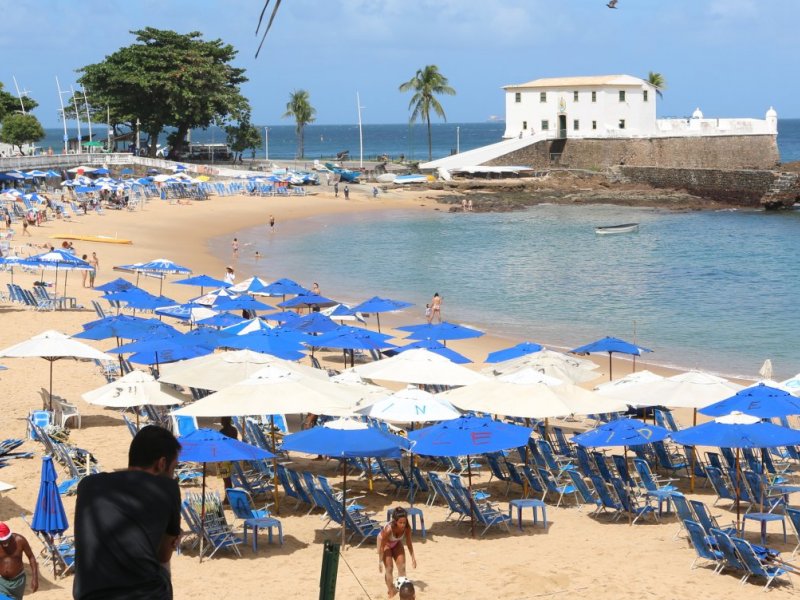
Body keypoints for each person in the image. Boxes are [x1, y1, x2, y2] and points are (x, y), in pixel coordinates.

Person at [73, 425, 182, 600]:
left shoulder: (88, 485)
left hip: (90, 596)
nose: (173, 475)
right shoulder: (167, 488)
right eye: (173, 468)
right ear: (162, 463)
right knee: (162, 569)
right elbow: (163, 555)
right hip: (146, 595)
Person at [377, 507, 416, 599]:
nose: (403, 525)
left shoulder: (407, 528)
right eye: (400, 523)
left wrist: (413, 558)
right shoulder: (388, 529)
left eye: (404, 522)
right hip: (384, 543)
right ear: (395, 522)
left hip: (396, 542)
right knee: (389, 568)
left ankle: (402, 592)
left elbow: (409, 543)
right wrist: (380, 561)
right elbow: (382, 546)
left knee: (402, 567)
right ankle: (391, 590)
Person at [0, 522, 38, 599]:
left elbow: (31, 557)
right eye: (2, 540)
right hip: (2, 581)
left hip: (18, 581)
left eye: (6, 539)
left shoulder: (20, 540)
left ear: (10, 535)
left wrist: (35, 578)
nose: (4, 542)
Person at [218, 417, 238, 496]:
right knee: (228, 478)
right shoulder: (234, 430)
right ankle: (228, 495)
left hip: (224, 457)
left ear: (226, 421)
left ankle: (228, 496)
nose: (221, 421)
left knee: (226, 479)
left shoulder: (222, 431)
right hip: (232, 456)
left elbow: (220, 445)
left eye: (222, 420)